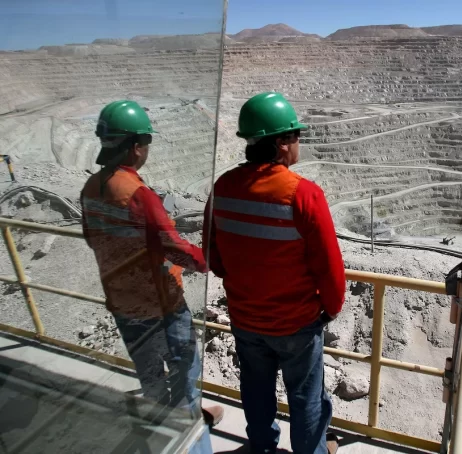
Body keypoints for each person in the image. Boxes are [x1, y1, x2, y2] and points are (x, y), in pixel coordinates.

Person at [203, 92, 346, 454]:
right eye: (295, 135)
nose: (298, 143)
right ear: (282, 143)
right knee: (306, 399)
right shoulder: (304, 195)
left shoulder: (223, 187)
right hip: (296, 323)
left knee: (256, 389)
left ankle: (263, 447)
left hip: (246, 318)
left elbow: (214, 256)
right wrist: (330, 308)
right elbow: (329, 267)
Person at [80, 100, 224, 433]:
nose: (147, 149)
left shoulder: (90, 188)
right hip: (161, 304)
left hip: (122, 301)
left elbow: (92, 238)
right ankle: (186, 430)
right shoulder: (138, 193)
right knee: (184, 367)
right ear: (134, 148)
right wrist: (208, 261)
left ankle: (159, 427)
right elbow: (175, 247)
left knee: (149, 372)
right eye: (146, 142)